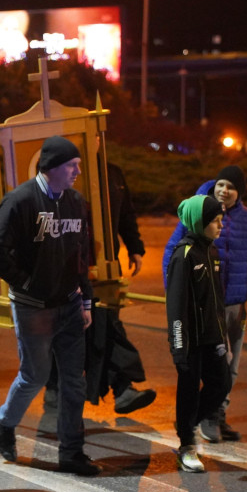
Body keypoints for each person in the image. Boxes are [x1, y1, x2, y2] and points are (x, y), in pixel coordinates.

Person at [0, 135, 98, 477]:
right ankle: (6, 421)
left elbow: (82, 256)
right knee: (35, 376)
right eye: (72, 166)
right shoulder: (20, 200)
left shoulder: (76, 202)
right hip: (33, 307)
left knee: (74, 381)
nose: (78, 172)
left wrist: (86, 299)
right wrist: (25, 283)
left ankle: (72, 452)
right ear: (51, 167)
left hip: (70, 304)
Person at [162, 165, 247, 442]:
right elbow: (173, 254)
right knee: (215, 366)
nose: (224, 190)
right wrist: (177, 292)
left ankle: (215, 414)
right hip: (206, 308)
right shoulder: (199, 213)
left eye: (231, 187)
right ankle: (200, 421)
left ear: (239, 192)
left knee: (229, 369)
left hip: (235, 304)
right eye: (221, 184)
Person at [84, 162, 157, 414]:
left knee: (108, 325)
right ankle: (56, 388)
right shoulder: (65, 169)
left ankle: (122, 388)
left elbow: (125, 213)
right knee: (84, 331)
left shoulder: (112, 172)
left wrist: (135, 247)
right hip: (74, 268)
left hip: (108, 266)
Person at [166, 194, 231, 473]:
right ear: (199, 222)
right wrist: (179, 347)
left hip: (211, 339)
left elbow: (217, 301)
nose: (220, 226)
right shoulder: (184, 256)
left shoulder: (211, 251)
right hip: (190, 342)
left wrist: (222, 337)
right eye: (215, 221)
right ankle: (186, 445)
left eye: (221, 220)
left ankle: (186, 422)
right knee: (189, 392)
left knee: (221, 384)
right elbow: (176, 306)